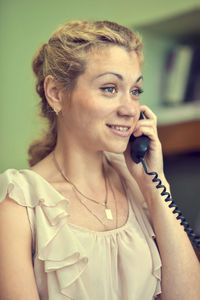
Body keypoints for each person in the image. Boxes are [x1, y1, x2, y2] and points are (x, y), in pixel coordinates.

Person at [0, 20, 199, 300]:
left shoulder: (140, 185)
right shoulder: (19, 204)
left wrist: (156, 186)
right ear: (56, 93)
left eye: (135, 91)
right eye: (109, 88)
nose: (130, 109)